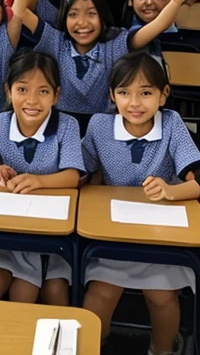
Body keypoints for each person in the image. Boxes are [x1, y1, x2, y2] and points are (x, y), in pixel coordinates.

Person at [18, 0, 200, 132]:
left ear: (103, 16)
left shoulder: (116, 44)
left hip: (104, 130)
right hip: (60, 127)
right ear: (64, 17)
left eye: (91, 13)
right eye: (73, 14)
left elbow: (159, 24)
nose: (82, 23)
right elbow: (20, 9)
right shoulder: (55, 41)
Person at [82, 51, 200, 355]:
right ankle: (96, 346)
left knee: (161, 298)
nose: (134, 103)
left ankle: (162, 349)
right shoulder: (98, 127)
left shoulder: (172, 124)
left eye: (145, 93)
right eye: (124, 93)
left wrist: (172, 191)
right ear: (112, 96)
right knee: (99, 297)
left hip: (161, 235)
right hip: (114, 234)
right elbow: (81, 171)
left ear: (163, 96)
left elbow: (197, 178)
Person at [0, 51, 83, 305]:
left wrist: (39, 181)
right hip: (8, 226)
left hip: (52, 230)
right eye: (22, 89)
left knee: (31, 292)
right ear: (8, 91)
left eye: (43, 92)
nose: (31, 101)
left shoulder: (67, 126)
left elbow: (73, 176)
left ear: (56, 95)